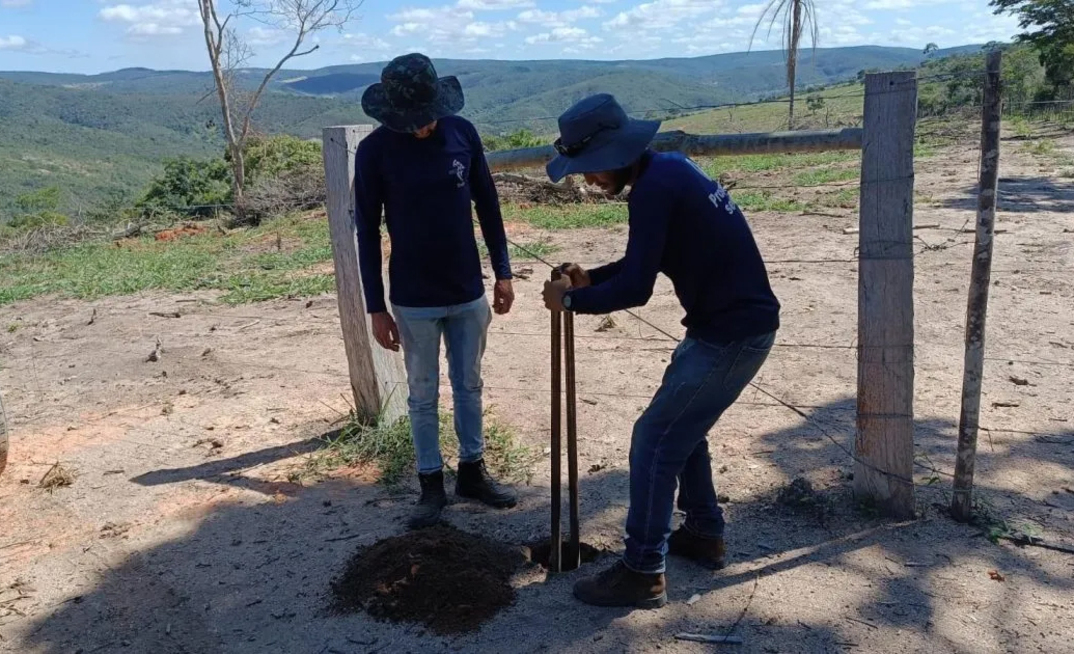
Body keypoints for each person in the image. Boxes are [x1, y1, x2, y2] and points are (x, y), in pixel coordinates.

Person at [541, 93, 781, 609]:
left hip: (730, 335)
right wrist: (590, 280)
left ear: (617, 152)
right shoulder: (669, 171)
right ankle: (703, 533)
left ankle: (642, 571)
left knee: (653, 440)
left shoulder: (653, 189)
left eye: (590, 168)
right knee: (680, 432)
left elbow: (635, 290)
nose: (588, 180)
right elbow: (640, 262)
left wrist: (572, 300)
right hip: (732, 328)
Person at [356, 52, 518, 529]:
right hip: (412, 296)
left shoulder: (462, 135)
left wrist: (503, 273)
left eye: (428, 117)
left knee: (469, 384)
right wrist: (375, 307)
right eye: (412, 121)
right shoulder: (375, 152)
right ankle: (431, 483)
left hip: (467, 289)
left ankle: (473, 471)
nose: (423, 128)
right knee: (422, 393)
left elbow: (488, 206)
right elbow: (366, 230)